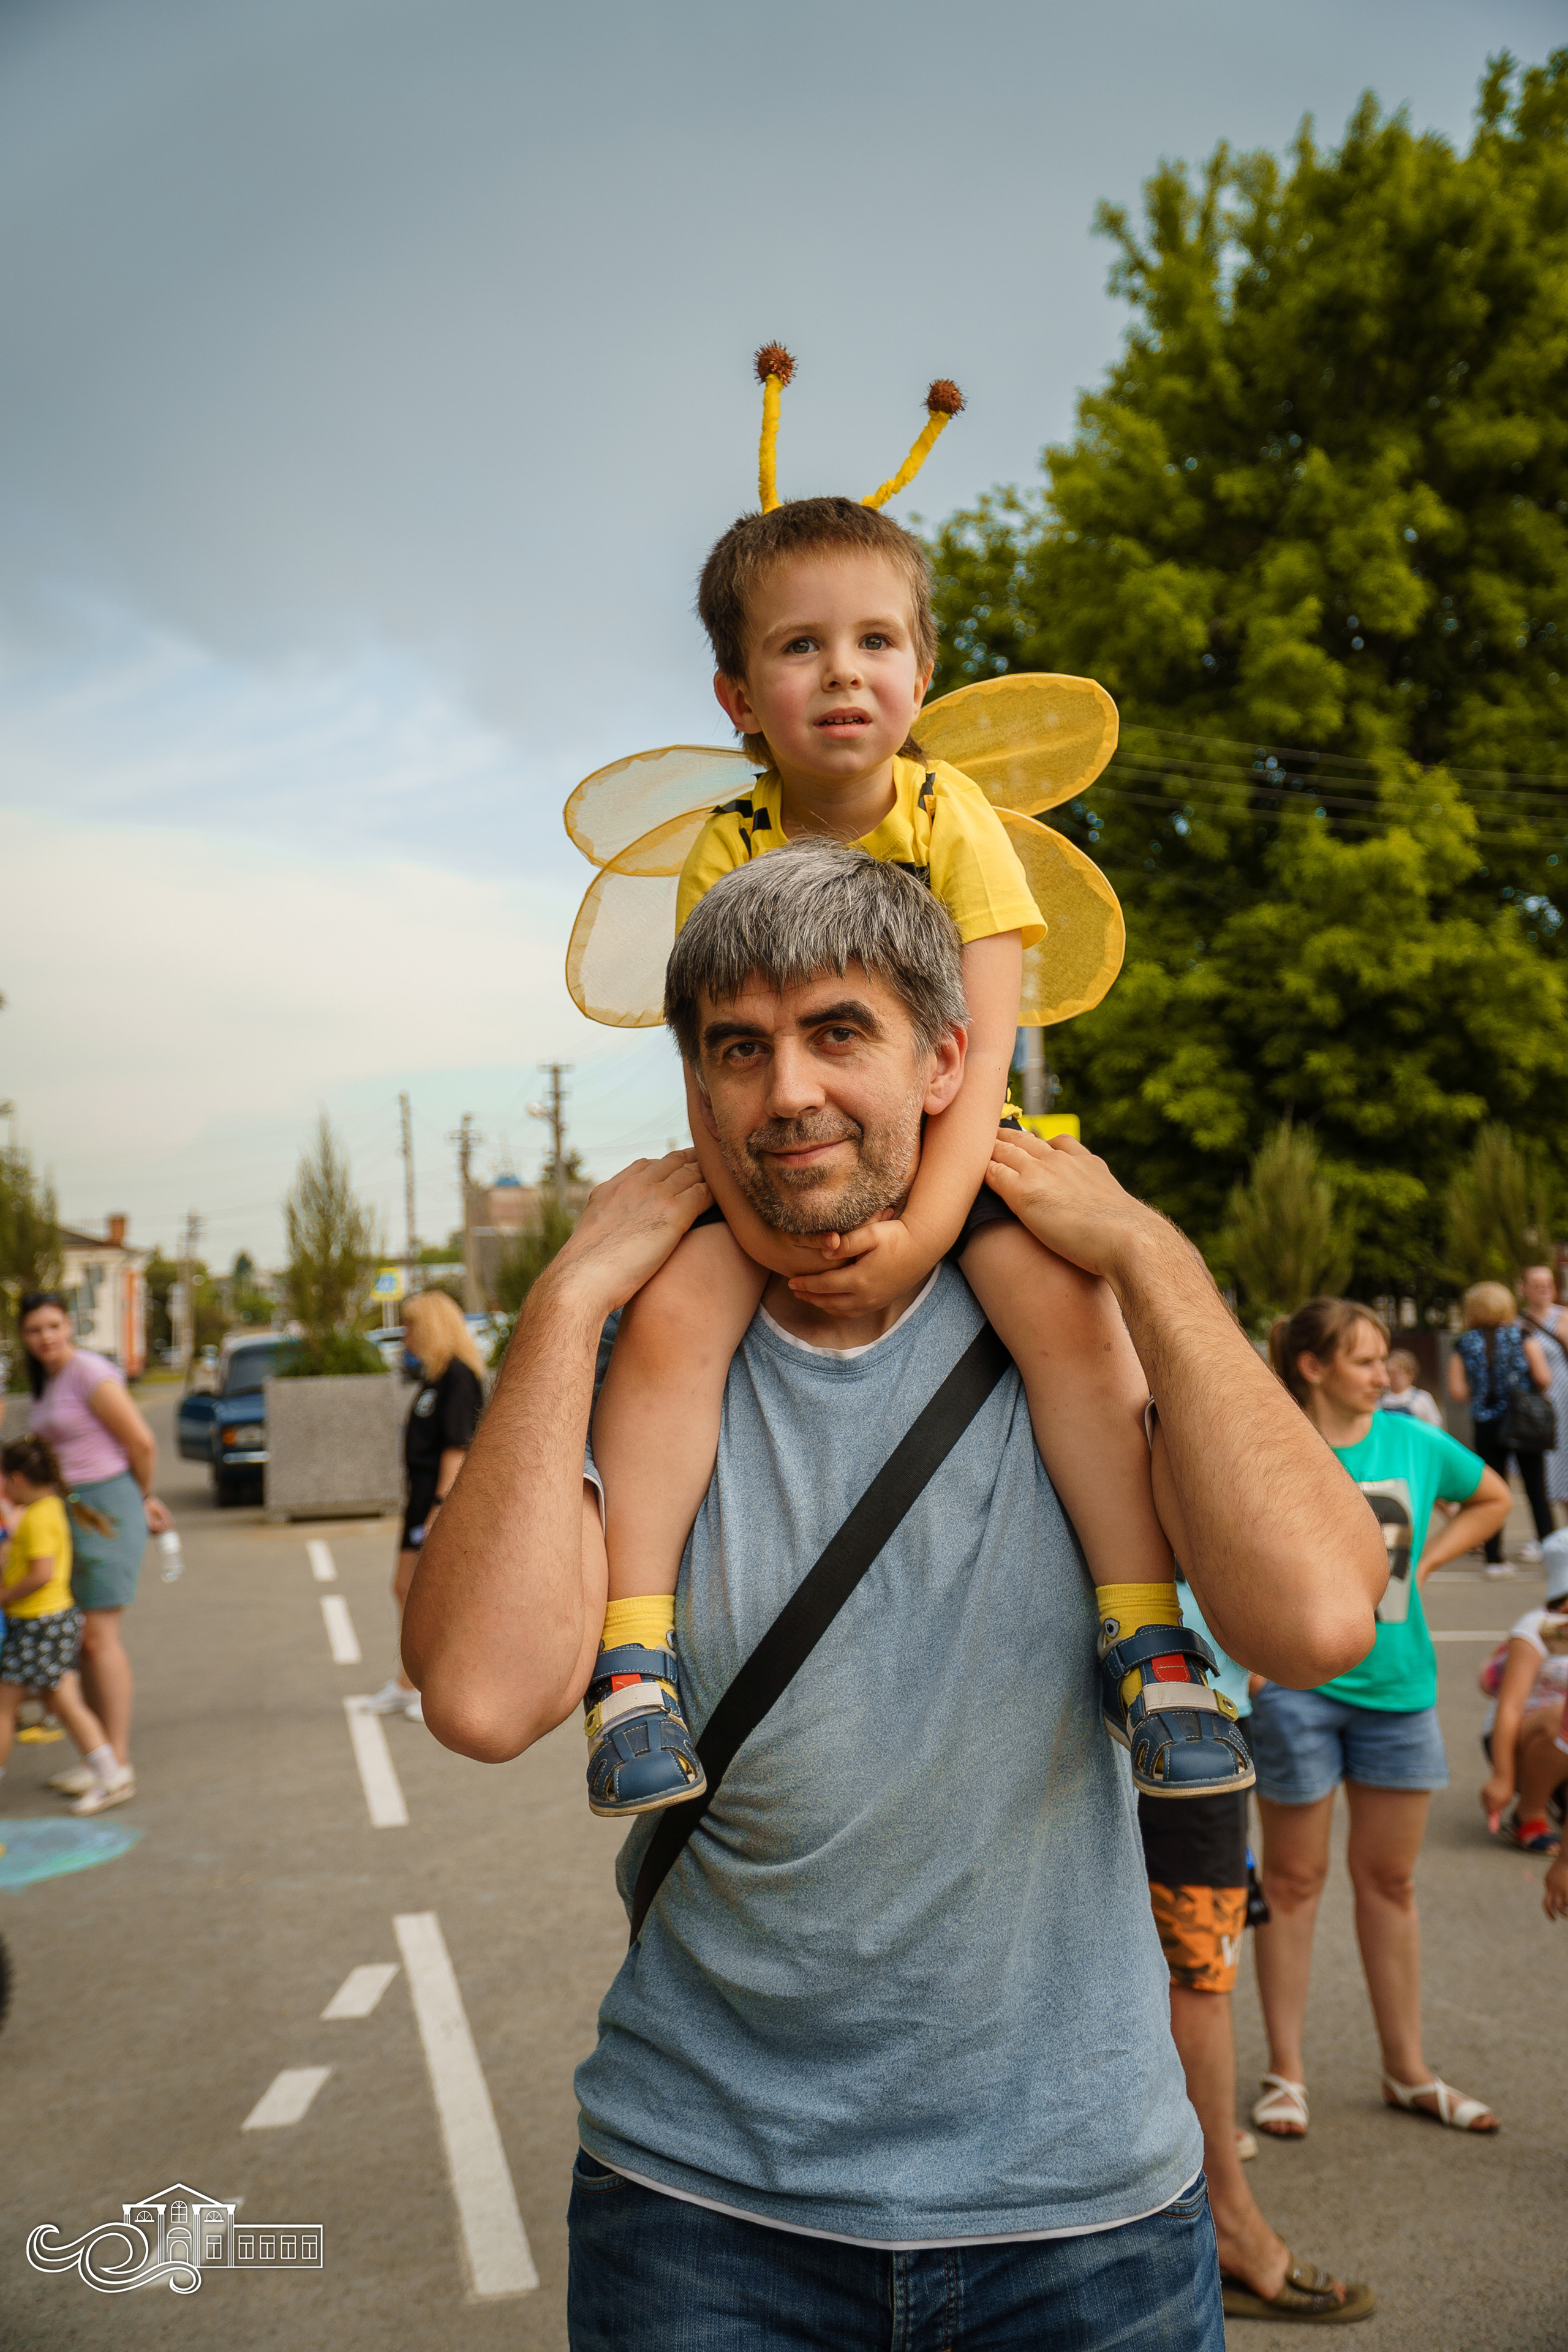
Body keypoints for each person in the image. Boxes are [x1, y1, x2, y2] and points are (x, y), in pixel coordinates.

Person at [404, 843, 1385, 2350]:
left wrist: (1143, 1247)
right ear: (695, 1093)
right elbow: (476, 1696)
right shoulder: (654, 1356)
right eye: (737, 1047)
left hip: (1084, 2222)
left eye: (834, 1030)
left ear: (945, 1060)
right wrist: (564, 1298)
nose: (782, 1089)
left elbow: (1320, 1614)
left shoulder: (1066, 1320)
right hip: (702, 2214)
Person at [584, 489, 1242, 1822]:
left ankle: (1146, 1643)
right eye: (799, 648)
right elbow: (721, 1068)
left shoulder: (957, 824)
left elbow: (981, 1051)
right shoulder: (729, 845)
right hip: (770, 1156)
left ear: (923, 671)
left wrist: (926, 1231)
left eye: (875, 641)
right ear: (736, 694)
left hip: (949, 1146)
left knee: (1067, 1315)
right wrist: (767, 1240)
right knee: (669, 1321)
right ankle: (633, 1665)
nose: (842, 673)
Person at [1249, 1299, 1510, 2144]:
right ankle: (1284, 2074)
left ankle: (1409, 2071)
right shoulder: (1272, 1443)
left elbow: (1495, 1497)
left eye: (1384, 1358)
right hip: (1296, 1689)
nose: (1384, 1373)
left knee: (1390, 1883)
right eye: (1363, 1360)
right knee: (1292, 1884)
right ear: (1312, 1367)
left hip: (1400, 1690)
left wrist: (1428, 1563)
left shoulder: (1415, 1442)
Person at [1139, 1574, 1374, 2323]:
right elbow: (1324, 1614)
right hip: (1181, 1720)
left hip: (1136, 1711)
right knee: (1197, 1976)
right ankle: (1229, 2225)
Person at [20, 1291, 172, 1798]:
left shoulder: (88, 1372)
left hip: (106, 1510)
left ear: (70, 1327)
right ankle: (99, 1756)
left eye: (54, 1326)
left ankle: (118, 1764)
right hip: (71, 1514)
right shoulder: (48, 1380)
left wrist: (143, 1496)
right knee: (82, 1641)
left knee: (97, 1640)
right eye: (35, 1329)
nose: (46, 1337)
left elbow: (141, 1442)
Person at [363, 1289, 485, 1725]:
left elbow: (457, 1448)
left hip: (438, 1502)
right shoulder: (434, 1377)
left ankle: (429, 1684)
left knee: (428, 1595)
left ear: (431, 1326)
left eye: (412, 1326)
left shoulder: (459, 1376)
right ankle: (406, 1682)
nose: (405, 1336)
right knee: (404, 1588)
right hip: (419, 1500)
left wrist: (439, 1509)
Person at [0, 1436, 132, 1814]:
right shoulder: (49, 1508)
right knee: (58, 1701)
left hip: (38, 1623)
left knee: (27, 1705)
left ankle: (111, 1776)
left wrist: (4, 1594)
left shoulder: (39, 1517)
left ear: (18, 1479)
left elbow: (41, 1573)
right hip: (48, 1622)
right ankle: (111, 1774)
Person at [1447, 1280, 1553, 1572]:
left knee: (1492, 1491)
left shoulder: (1465, 1342)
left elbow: (1457, 1391)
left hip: (1487, 1425)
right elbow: (1544, 1377)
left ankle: (1494, 1558)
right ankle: (1551, 1552)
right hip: (1523, 1422)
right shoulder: (1522, 1335)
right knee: (1535, 1488)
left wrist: (1481, 1391)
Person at [1477, 1532, 1568, 1853]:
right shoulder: (1538, 1627)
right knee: (1564, 1715)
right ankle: (1529, 1812)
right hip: (1520, 1739)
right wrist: (1502, 1776)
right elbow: (1510, 1707)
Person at [1520, 1263, 1568, 1528]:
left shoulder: (1563, 1317)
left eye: (1548, 1283)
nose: (1544, 1288)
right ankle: (1547, 1533)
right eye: (1537, 1283)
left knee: (1565, 1463)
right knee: (1540, 1470)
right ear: (1524, 1288)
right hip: (1534, 1406)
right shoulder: (1517, 1321)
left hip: (1564, 1400)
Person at [1378, 1349, 1443, 1427]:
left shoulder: (1422, 1398)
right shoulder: (1380, 1398)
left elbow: (1435, 1427)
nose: (1391, 1378)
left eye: (1396, 1374)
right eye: (1388, 1373)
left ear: (1410, 1375)